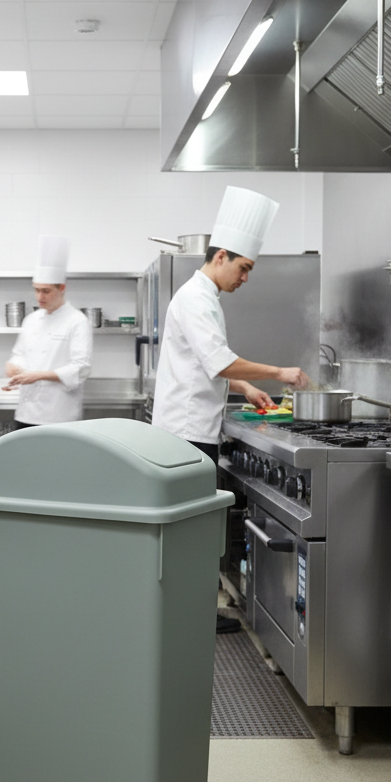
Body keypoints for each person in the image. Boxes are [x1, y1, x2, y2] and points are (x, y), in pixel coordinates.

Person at [151, 185, 309, 634]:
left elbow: (208, 363)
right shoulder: (196, 299)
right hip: (186, 434)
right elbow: (218, 360)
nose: (246, 278)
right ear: (220, 256)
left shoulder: (203, 298)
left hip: (192, 428)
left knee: (192, 530)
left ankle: (190, 612)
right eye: (244, 268)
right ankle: (187, 617)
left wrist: (244, 385)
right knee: (190, 533)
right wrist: (278, 372)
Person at [3, 236, 92, 426]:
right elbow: (19, 354)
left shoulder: (77, 321)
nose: (39, 297)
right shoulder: (31, 320)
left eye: (46, 291)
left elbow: (81, 367)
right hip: (26, 413)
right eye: (36, 290)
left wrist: (38, 375)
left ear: (62, 288)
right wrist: (13, 367)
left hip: (59, 415)